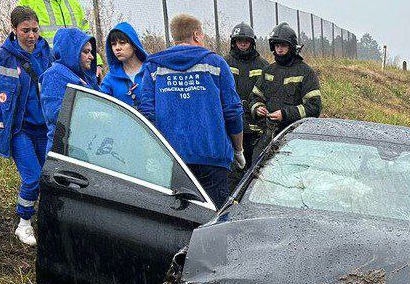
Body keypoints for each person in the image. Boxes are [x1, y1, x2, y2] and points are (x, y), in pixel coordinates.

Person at [137, 13, 243, 206]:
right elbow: (233, 111)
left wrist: (153, 153)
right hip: (213, 157)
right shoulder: (216, 63)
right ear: (196, 35)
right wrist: (238, 150)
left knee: (179, 218)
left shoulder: (153, 67)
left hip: (172, 160)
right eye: (202, 35)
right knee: (214, 221)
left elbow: (147, 113)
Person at [0, 6, 54, 247]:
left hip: (44, 128)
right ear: (14, 30)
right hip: (19, 129)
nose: (31, 35)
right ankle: (23, 223)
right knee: (32, 176)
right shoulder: (3, 56)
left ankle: (48, 219)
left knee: (48, 177)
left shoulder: (47, 53)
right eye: (25, 30)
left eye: (35, 30)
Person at [249, 23, 322, 159]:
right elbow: (254, 97)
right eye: (277, 46)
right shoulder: (268, 71)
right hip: (267, 136)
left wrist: (285, 114)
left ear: (292, 47)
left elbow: (314, 107)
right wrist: (258, 108)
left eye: (283, 45)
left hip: (294, 139)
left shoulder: (305, 72)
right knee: (256, 174)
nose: (280, 49)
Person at [40, 27, 98, 156]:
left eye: (91, 52)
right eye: (86, 52)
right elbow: (56, 114)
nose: (91, 57)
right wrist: (94, 115)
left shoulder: (83, 77)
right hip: (64, 150)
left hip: (83, 147)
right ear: (72, 52)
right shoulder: (54, 75)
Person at [226, 22, 267, 182]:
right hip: (232, 125)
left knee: (256, 169)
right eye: (239, 40)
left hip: (256, 126)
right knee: (233, 171)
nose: (243, 43)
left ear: (252, 42)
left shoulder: (263, 65)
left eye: (246, 40)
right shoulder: (225, 62)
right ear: (234, 42)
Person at [98, 22, 147, 107]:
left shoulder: (151, 71)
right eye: (113, 44)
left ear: (134, 45)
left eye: (122, 42)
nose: (117, 48)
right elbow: (101, 107)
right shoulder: (110, 79)